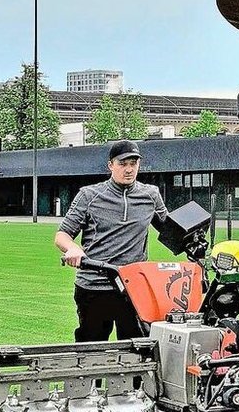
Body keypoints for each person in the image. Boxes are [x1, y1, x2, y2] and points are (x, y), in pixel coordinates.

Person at [55, 139, 172, 342]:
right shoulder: (89, 195)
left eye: (133, 164)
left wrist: (196, 241)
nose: (129, 169)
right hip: (95, 287)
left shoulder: (150, 195)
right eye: (123, 164)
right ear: (111, 165)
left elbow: (171, 233)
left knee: (135, 356)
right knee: (91, 356)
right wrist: (73, 248)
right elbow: (62, 235)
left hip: (134, 289)